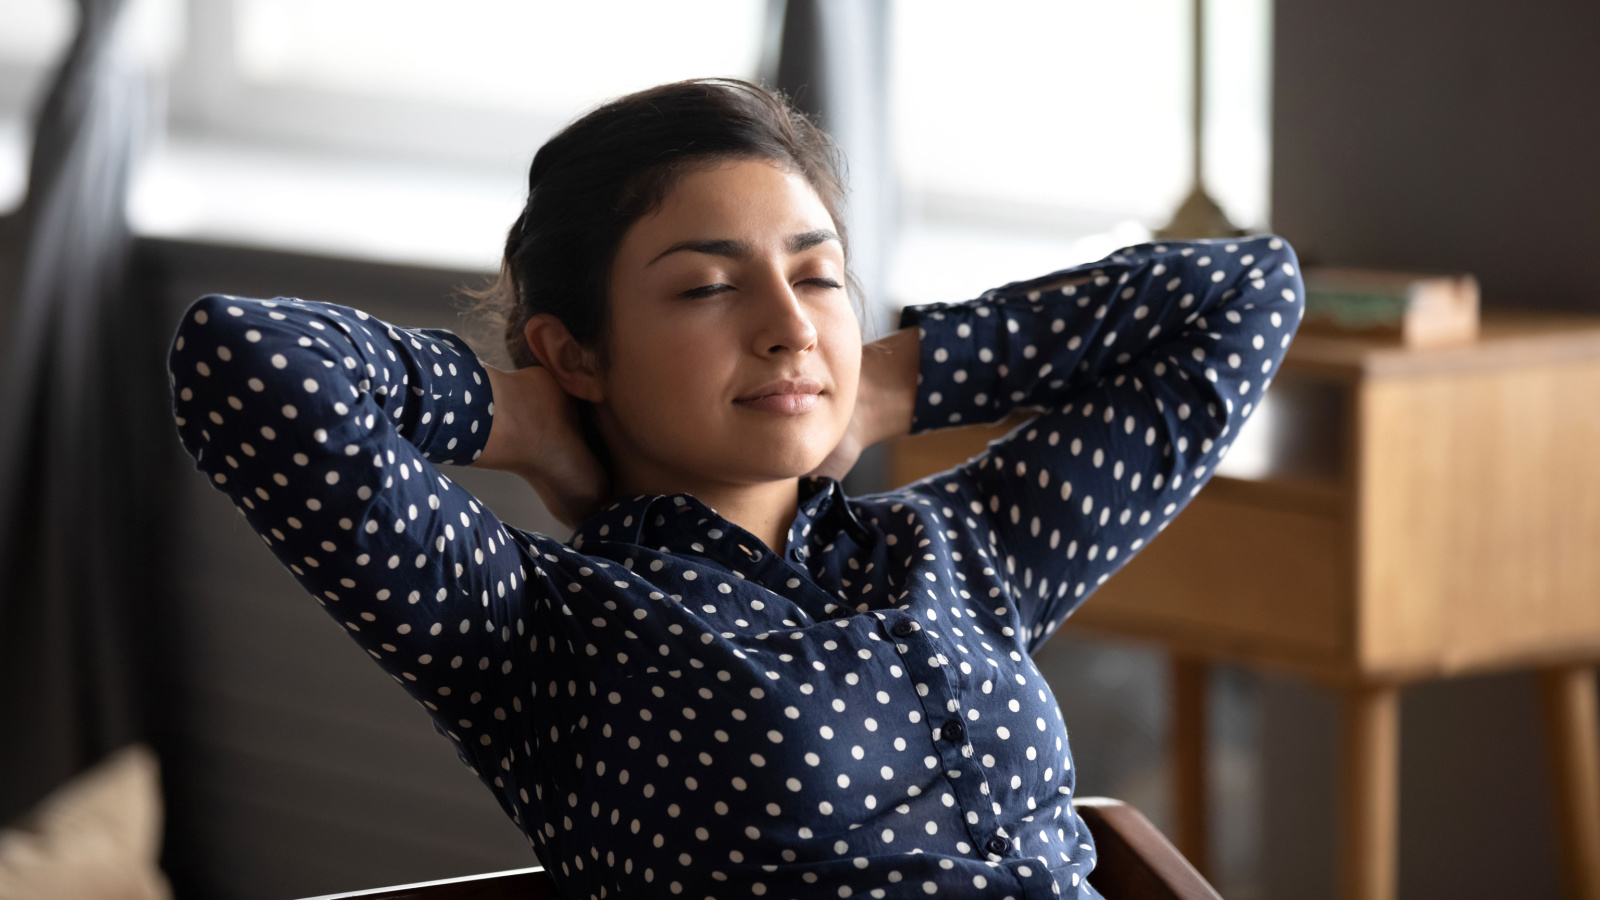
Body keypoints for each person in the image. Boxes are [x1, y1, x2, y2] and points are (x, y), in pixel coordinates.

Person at [168, 78, 1302, 900]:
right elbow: (244, 361)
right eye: (709, 286)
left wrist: (887, 383)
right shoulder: (542, 627)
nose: (788, 326)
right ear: (576, 351)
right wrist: (523, 418)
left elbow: (1247, 293)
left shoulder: (960, 548)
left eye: (818, 275)